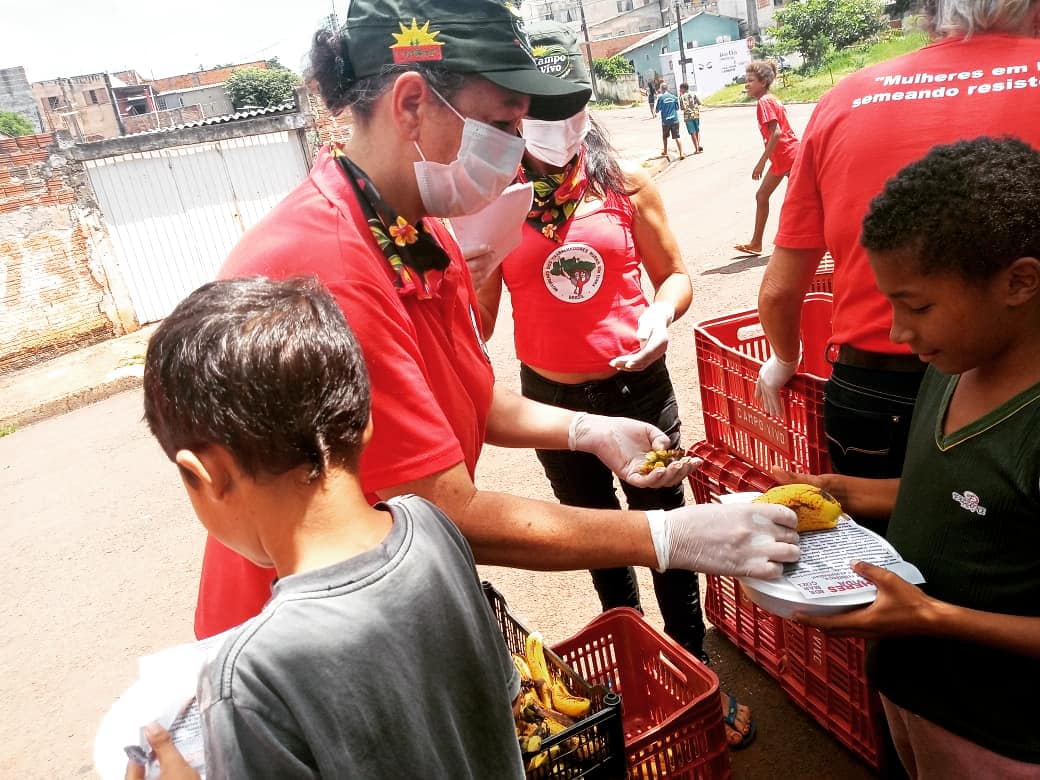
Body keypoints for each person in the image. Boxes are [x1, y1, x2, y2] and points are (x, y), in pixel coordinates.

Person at [192, 0, 801, 643]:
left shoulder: (416, 227)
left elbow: (469, 395)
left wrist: (587, 429)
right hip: (301, 642)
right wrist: (669, 535)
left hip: (378, 594)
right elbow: (444, 507)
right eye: (501, 123)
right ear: (410, 105)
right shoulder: (331, 268)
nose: (517, 150)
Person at [477, 20, 754, 750]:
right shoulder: (498, 201)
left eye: (569, 112)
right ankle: (634, 670)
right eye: (538, 116)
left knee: (671, 538)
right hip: (553, 407)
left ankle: (697, 671)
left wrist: (662, 315)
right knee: (602, 542)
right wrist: (470, 263)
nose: (556, 128)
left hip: (639, 394)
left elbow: (676, 275)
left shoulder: (626, 184)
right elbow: (473, 324)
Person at [129, 276, 525, 778]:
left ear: (208, 475)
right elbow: (499, 703)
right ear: (364, 423)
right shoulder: (433, 529)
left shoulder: (249, 678)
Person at [777, 137, 1040, 779]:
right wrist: (853, 492)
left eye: (916, 306)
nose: (897, 331)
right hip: (907, 688)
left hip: (997, 730)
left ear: (1020, 281)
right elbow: (963, 493)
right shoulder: (953, 362)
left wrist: (931, 617)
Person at [755, 0, 1040, 481]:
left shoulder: (846, 97)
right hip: (1019, 390)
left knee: (878, 551)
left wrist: (784, 360)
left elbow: (781, 291)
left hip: (873, 392)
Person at [733, 60, 799, 257]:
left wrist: (761, 162)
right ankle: (756, 243)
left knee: (800, 202)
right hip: (782, 159)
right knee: (762, 196)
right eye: (747, 80)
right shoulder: (770, 99)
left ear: (763, 82)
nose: (747, 84)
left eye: (751, 80)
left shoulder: (764, 102)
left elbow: (776, 133)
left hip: (788, 155)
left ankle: (804, 242)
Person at [655, 83, 684, 160]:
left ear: (661, 89)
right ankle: (681, 153)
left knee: (665, 137)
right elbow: (677, 108)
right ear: (667, 88)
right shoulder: (673, 97)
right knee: (677, 137)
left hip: (665, 121)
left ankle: (665, 151)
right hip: (675, 120)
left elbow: (657, 110)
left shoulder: (661, 98)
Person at [679, 82, 703, 154]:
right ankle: (698, 145)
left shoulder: (682, 97)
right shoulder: (694, 94)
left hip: (688, 116)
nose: (680, 90)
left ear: (683, 89)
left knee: (692, 132)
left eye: (680, 88)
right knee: (697, 130)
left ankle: (696, 149)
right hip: (696, 114)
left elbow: (682, 108)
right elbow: (699, 103)